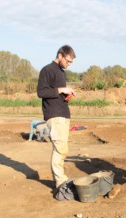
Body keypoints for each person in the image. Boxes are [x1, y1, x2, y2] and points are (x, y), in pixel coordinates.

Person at [37, 45, 76, 190]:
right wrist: (62, 89)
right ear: (60, 55)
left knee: (62, 149)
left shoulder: (61, 72)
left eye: (71, 62)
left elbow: (54, 93)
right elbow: (41, 92)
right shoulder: (47, 70)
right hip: (54, 114)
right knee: (60, 149)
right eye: (68, 61)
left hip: (63, 113)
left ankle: (60, 179)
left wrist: (66, 95)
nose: (69, 64)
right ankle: (60, 182)